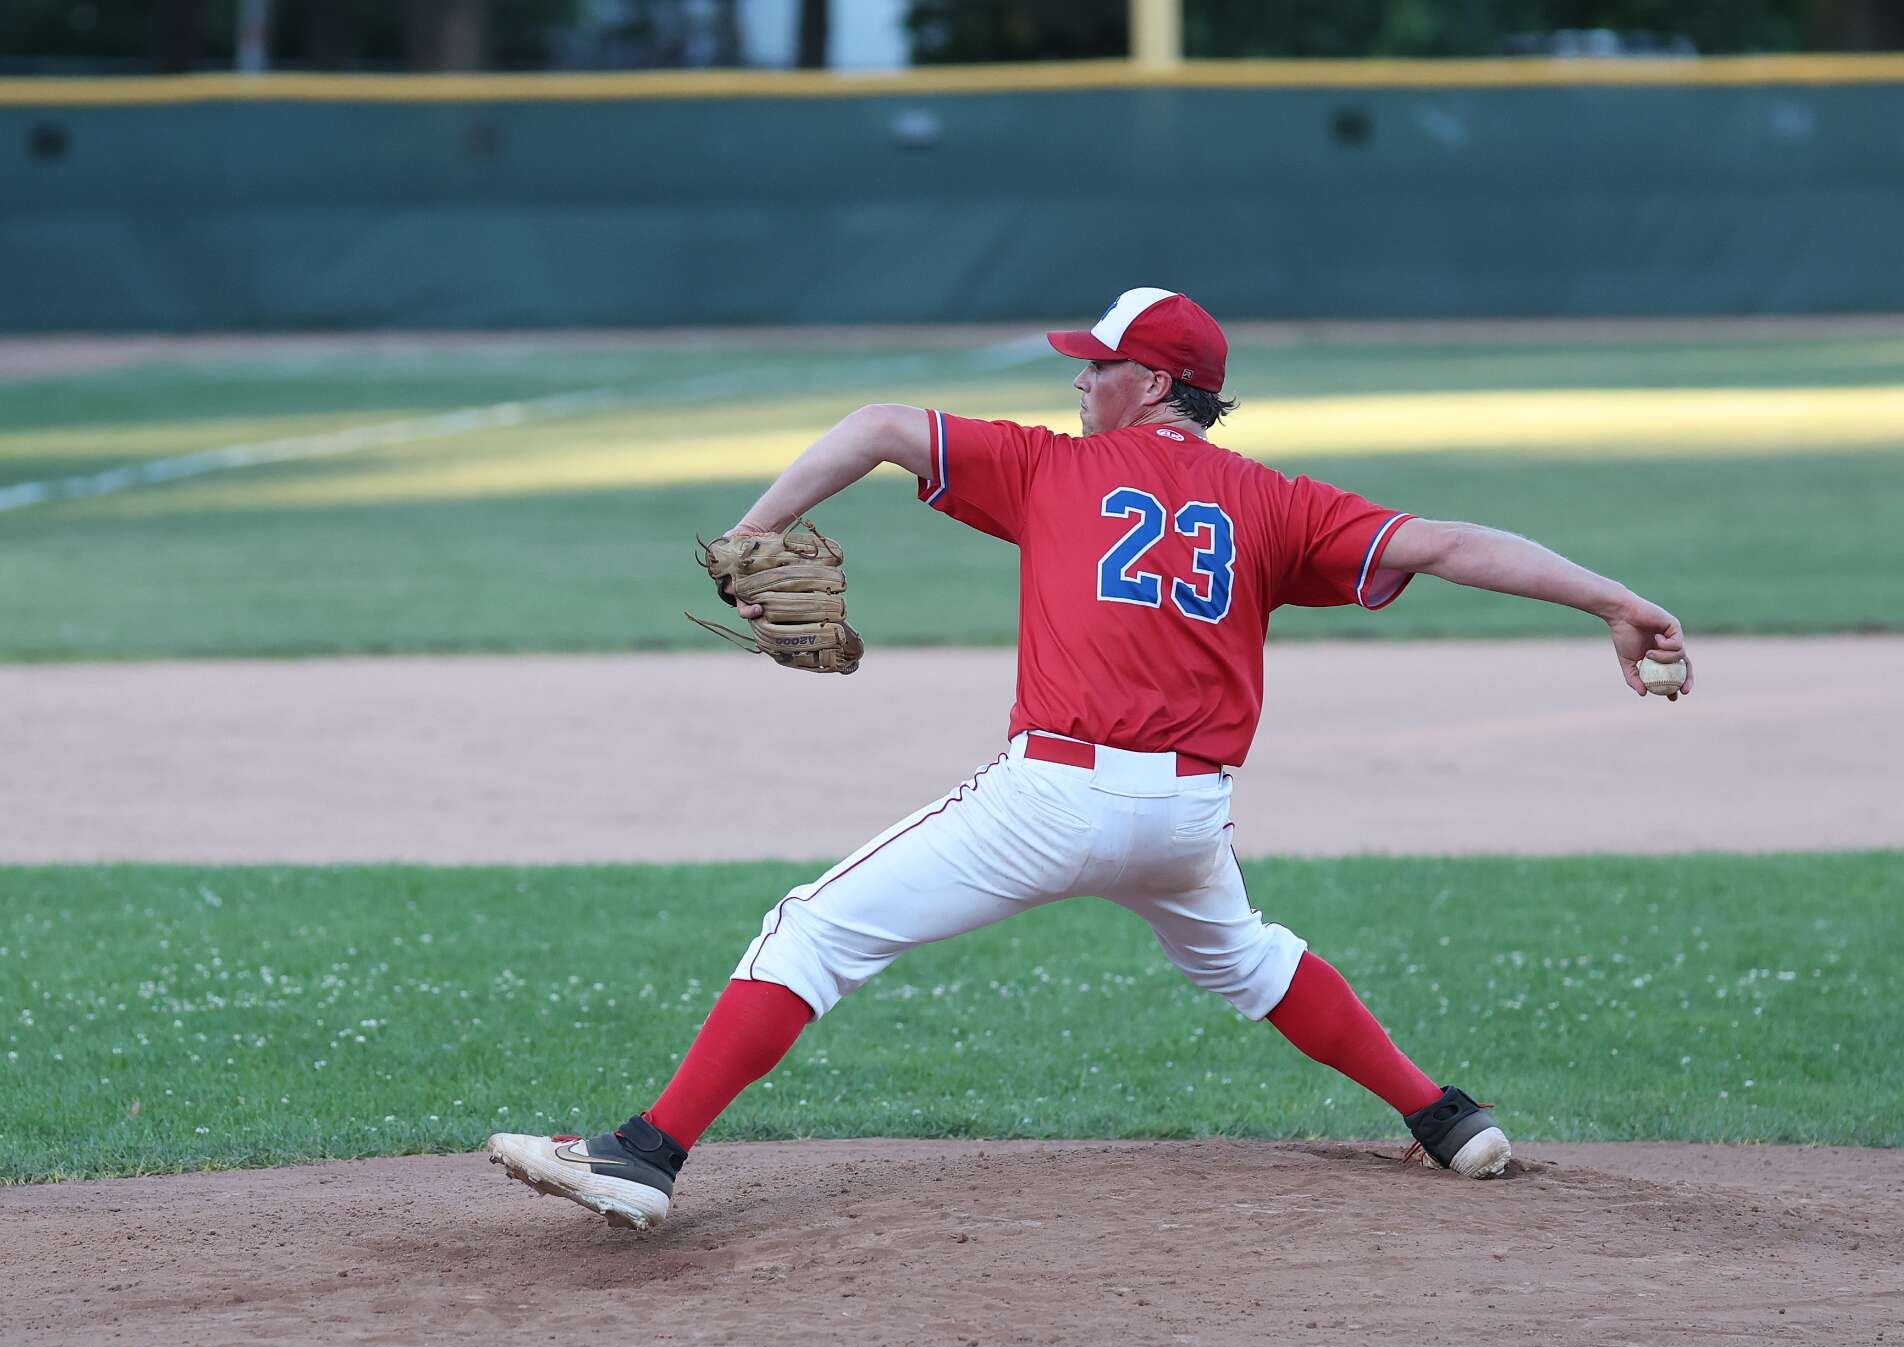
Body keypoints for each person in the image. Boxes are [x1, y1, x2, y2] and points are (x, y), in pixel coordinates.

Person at [487, 287, 1693, 1231]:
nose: (1075, 381)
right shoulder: (1275, 504)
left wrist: (752, 533)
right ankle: (1446, 1120)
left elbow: (877, 426)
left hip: (1049, 798)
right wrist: (1613, 600)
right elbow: (1445, 543)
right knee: (1250, 958)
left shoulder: (1051, 468)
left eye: (1095, 364)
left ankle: (644, 1156)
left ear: (1152, 381)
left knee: (811, 931)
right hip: (1185, 822)